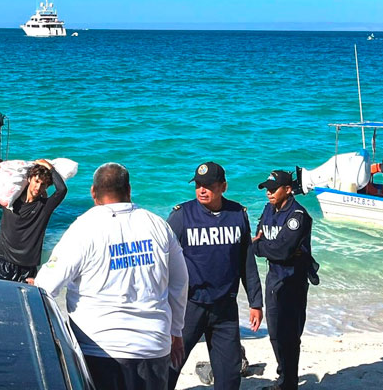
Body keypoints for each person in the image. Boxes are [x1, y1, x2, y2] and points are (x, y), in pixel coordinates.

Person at [35, 163, 189, 390]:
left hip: (98, 347)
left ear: (93, 193)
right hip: (153, 345)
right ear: (128, 190)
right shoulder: (157, 225)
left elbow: (46, 286)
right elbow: (180, 281)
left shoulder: (84, 228)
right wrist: (176, 331)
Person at [166, 161, 263, 390]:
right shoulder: (182, 216)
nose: (202, 189)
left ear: (223, 187)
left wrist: (255, 302)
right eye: (198, 184)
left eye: (208, 185)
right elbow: (162, 261)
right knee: (170, 366)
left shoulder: (237, 214)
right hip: (190, 306)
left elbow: (246, 262)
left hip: (225, 307)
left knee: (230, 373)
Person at [253, 170, 320, 390]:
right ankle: (284, 377)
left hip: (293, 281)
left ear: (288, 190)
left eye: (274, 189)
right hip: (273, 279)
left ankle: (288, 383)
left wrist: (260, 247)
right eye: (267, 189)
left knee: (289, 335)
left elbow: (282, 250)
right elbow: (259, 236)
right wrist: (263, 247)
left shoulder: (297, 216)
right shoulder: (268, 210)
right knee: (274, 333)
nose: (269, 194)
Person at [0, 159, 67, 282]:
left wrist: (50, 167)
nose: (38, 187)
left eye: (43, 184)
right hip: (1, 261)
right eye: (36, 181)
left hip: (26, 268)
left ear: (47, 186)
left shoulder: (44, 207)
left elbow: (62, 190)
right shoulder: (9, 200)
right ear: (29, 179)